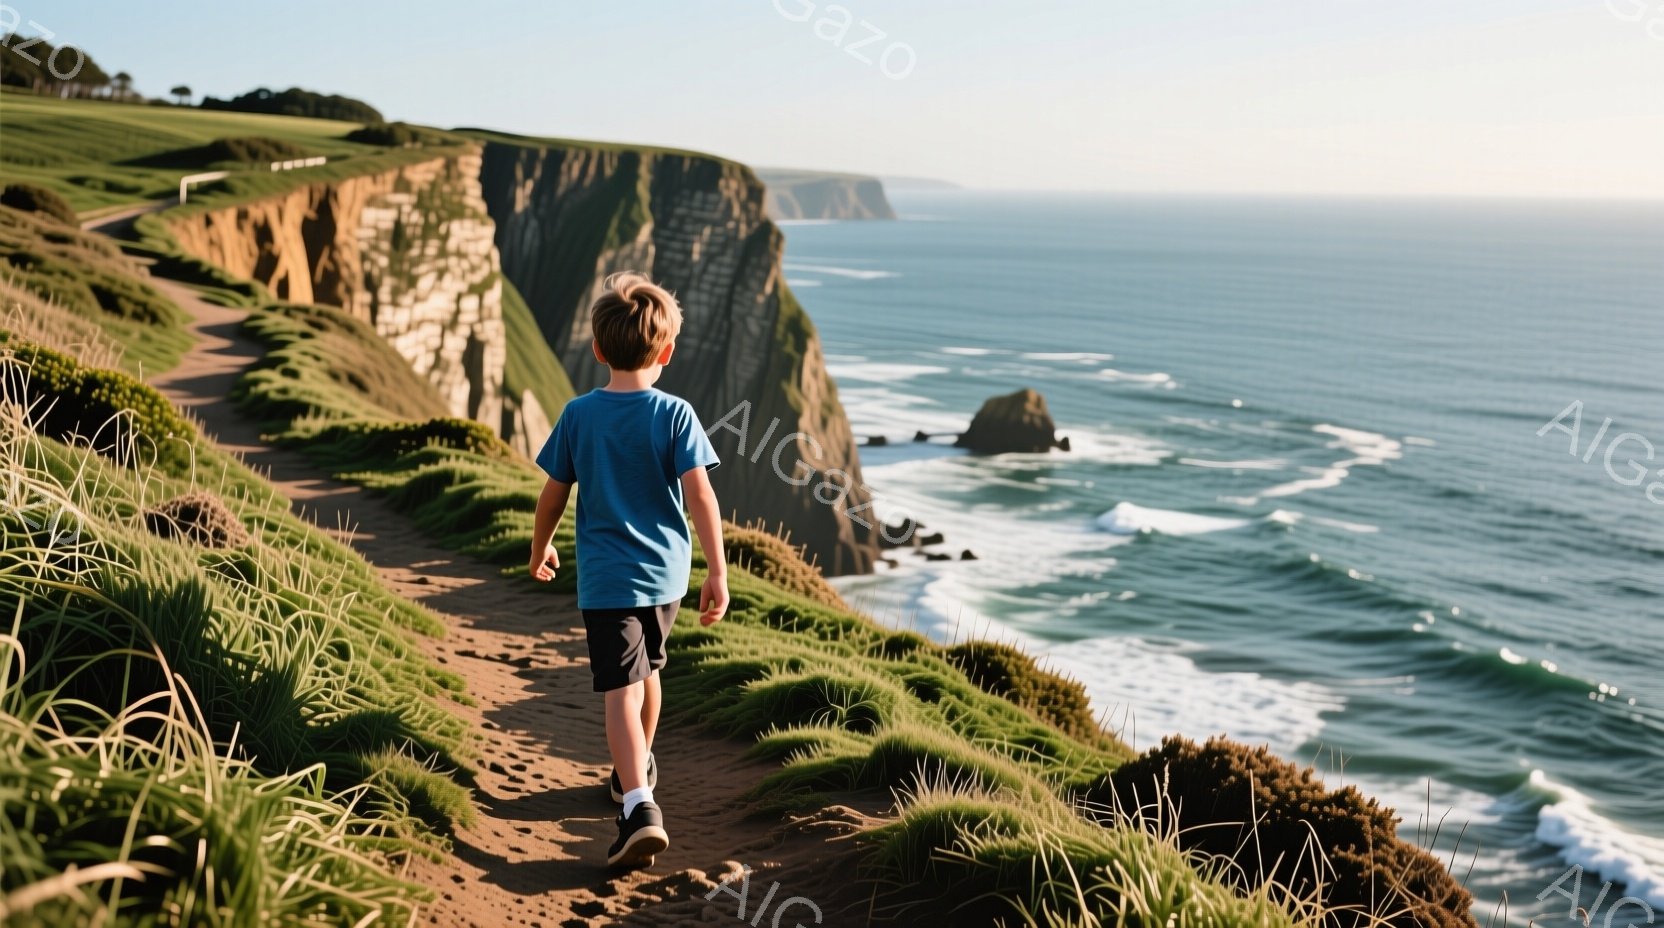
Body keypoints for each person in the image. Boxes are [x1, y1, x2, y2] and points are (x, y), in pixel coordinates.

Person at [528, 271, 729, 868]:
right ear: (665, 353)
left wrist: (540, 547)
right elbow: (702, 499)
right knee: (648, 674)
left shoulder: (579, 415)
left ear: (596, 349)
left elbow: (553, 494)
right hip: (667, 575)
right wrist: (717, 571)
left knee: (618, 687)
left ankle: (637, 804)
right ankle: (633, 770)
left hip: (609, 579)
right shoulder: (677, 414)